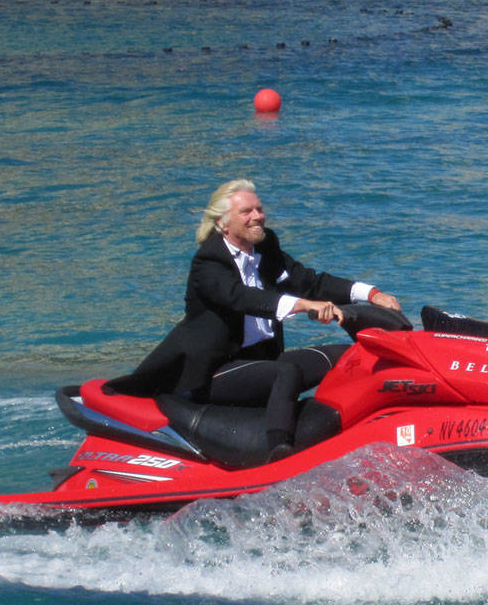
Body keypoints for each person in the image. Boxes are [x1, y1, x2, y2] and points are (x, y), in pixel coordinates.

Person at [105, 179, 401, 461]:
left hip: (260, 361)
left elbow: (308, 281)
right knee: (287, 373)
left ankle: (360, 424)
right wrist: (302, 305)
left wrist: (370, 293)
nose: (258, 216)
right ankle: (279, 451)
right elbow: (242, 297)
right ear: (223, 222)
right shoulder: (208, 262)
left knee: (351, 355)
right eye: (246, 211)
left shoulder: (265, 246)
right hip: (214, 372)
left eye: (259, 209)